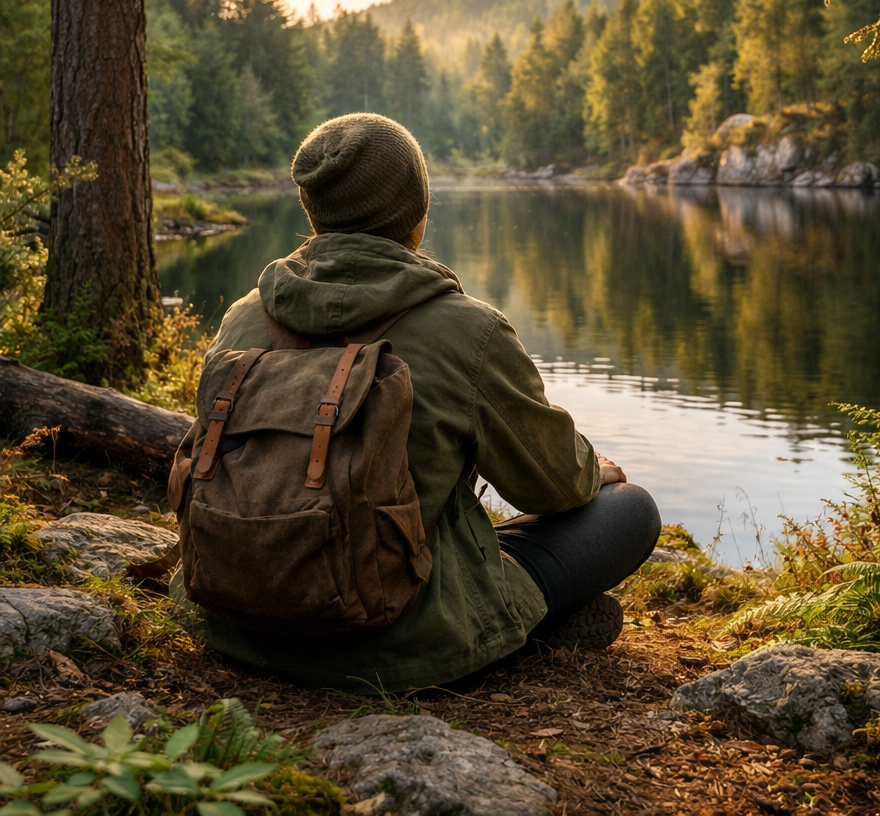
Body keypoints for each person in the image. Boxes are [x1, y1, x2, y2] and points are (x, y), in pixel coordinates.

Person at [201, 112, 662, 691]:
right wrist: (590, 471)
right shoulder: (467, 329)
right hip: (397, 638)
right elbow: (550, 487)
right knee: (630, 511)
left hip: (235, 618)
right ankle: (520, 627)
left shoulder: (245, 317)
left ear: (313, 209)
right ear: (416, 213)